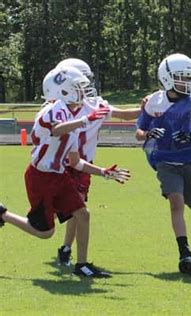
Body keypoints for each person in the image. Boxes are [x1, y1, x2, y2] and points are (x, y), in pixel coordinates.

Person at [0, 66, 130, 278]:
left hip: (58, 176)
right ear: (63, 91)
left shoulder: (71, 117)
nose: (83, 93)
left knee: (83, 214)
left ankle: (82, 265)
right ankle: (3, 215)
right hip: (39, 177)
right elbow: (57, 128)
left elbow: (76, 163)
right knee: (46, 232)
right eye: (78, 88)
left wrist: (103, 172)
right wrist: (87, 120)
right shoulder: (53, 110)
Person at [135, 53, 191, 275]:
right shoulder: (153, 102)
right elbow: (138, 132)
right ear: (167, 78)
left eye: (187, 77)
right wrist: (148, 134)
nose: (186, 82)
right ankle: (185, 252)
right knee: (176, 203)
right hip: (166, 161)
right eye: (181, 77)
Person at [54, 58, 141, 266]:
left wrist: (146, 108)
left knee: (79, 207)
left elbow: (124, 115)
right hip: (59, 165)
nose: (86, 86)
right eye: (82, 82)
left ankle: (66, 248)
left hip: (84, 166)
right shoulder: (57, 108)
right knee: (52, 218)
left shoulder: (96, 104)